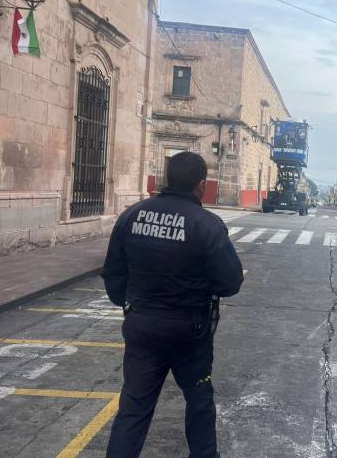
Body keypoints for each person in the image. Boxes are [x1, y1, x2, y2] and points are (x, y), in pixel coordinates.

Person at [103, 152, 243, 458]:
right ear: (201, 184)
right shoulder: (207, 224)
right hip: (189, 331)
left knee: (134, 407)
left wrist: (129, 303)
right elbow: (230, 282)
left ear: (167, 178)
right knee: (199, 400)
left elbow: (113, 273)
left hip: (141, 324)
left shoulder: (132, 215)